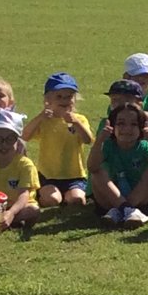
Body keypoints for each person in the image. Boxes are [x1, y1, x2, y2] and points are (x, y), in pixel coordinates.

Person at [26, 72, 95, 213]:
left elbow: (88, 140)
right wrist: (40, 117)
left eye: (69, 96)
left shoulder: (79, 119)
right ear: (48, 99)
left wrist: (76, 123)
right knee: (52, 200)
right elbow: (25, 136)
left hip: (74, 175)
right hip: (49, 175)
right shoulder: (45, 121)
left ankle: (68, 195)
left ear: (75, 99)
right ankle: (44, 193)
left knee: (77, 200)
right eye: (59, 96)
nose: (64, 100)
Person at [90, 101, 148, 226]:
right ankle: (125, 209)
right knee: (97, 173)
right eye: (121, 123)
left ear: (142, 127)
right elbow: (92, 166)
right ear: (112, 126)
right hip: (111, 200)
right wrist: (99, 141)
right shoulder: (108, 145)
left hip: (140, 200)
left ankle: (126, 209)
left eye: (134, 124)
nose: (127, 129)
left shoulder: (143, 145)